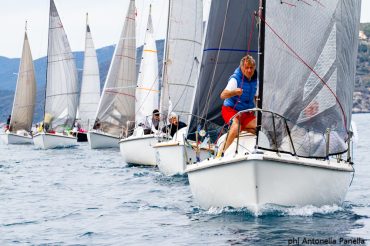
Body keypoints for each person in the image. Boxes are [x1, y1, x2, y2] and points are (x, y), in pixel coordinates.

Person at [217, 55, 258, 157]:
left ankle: (241, 129)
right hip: (230, 110)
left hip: (246, 113)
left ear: (254, 68)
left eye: (251, 68)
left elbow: (256, 96)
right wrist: (234, 92)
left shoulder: (256, 80)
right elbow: (223, 95)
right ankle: (221, 153)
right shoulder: (235, 79)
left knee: (259, 128)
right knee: (235, 127)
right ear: (241, 68)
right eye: (246, 67)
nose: (249, 70)